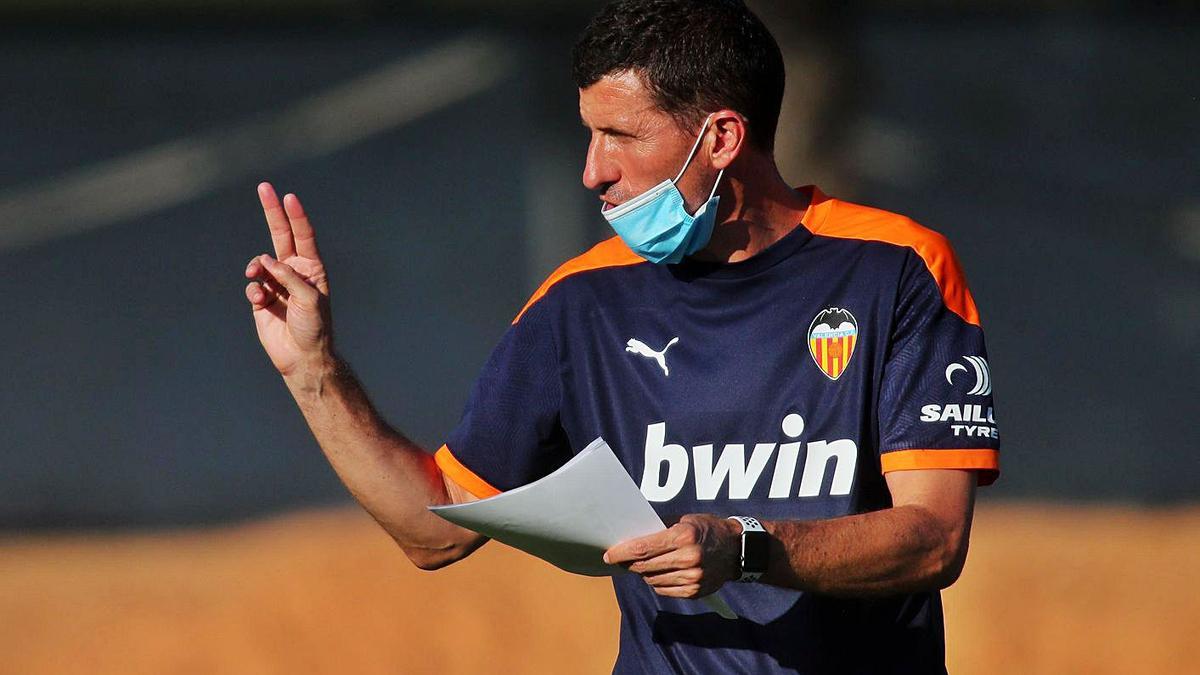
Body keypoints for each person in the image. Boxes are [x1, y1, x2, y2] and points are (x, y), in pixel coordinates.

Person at [243, 1, 1000, 672]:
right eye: (588, 134)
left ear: (722, 137)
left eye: (619, 134)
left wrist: (743, 547)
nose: (591, 171)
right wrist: (313, 369)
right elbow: (432, 527)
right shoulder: (580, 301)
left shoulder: (897, 270)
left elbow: (934, 537)